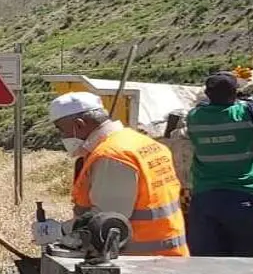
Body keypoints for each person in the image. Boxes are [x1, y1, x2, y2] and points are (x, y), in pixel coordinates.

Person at [44, 91, 189, 256]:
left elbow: (106, 221)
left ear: (79, 125)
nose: (63, 137)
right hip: (167, 253)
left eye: (62, 130)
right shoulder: (138, 141)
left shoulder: (112, 156)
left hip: (140, 260)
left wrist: (59, 231)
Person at [185, 57, 253, 256]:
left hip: (204, 198)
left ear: (208, 94)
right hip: (241, 197)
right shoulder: (247, 114)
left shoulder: (195, 117)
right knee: (246, 262)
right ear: (235, 93)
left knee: (205, 261)